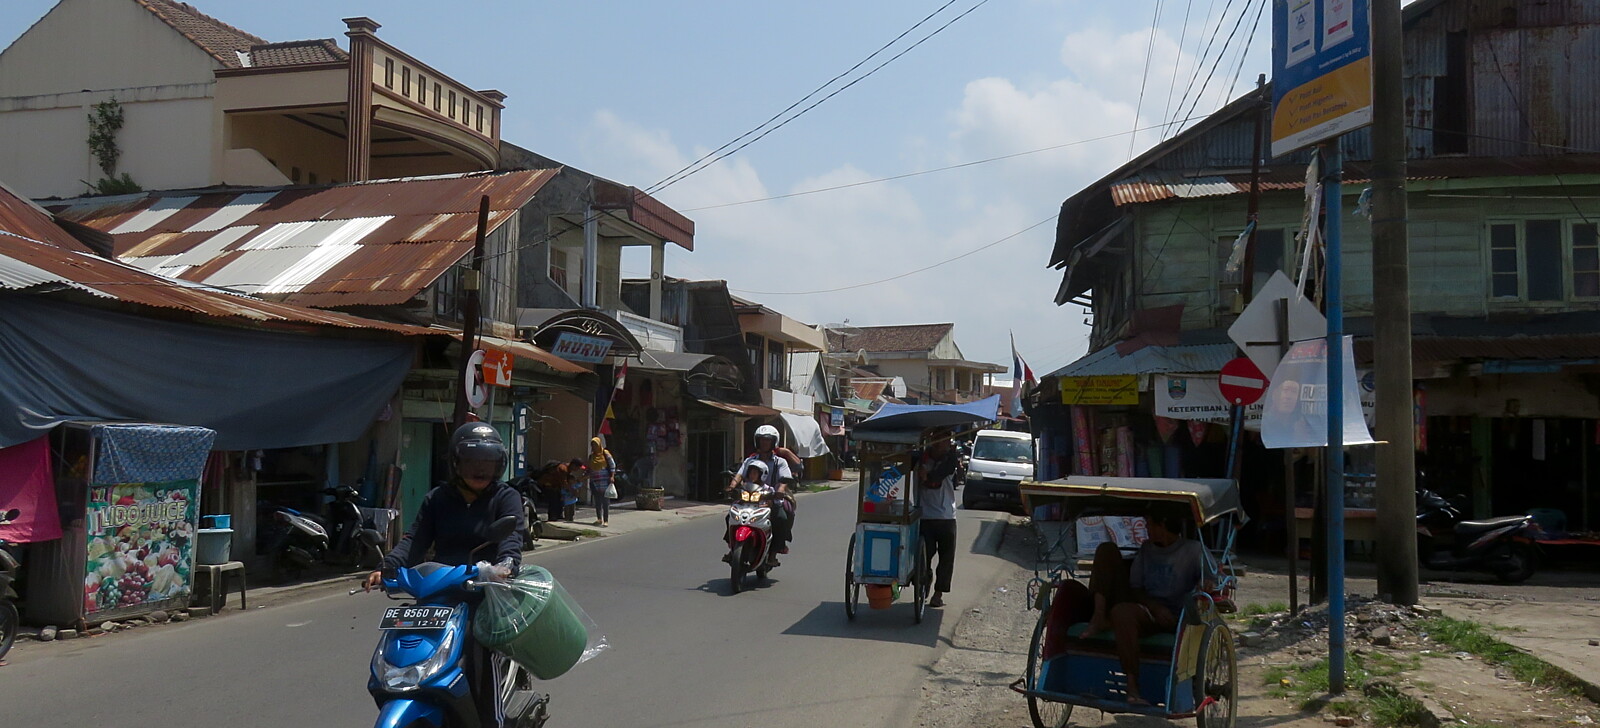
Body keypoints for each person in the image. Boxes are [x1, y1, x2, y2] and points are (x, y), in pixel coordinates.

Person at [364, 422, 524, 726]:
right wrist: (386, 568)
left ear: (498, 465)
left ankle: (493, 721)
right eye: (472, 462)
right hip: (441, 589)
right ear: (456, 463)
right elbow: (414, 540)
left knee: (479, 648)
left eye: (488, 463)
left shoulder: (506, 497)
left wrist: (504, 566)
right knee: (406, 640)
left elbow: (511, 540)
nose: (481, 470)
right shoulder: (437, 498)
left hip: (485, 591)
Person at [1082, 510, 1205, 706]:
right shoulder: (1147, 549)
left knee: (1122, 612)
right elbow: (1135, 588)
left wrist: (1203, 588)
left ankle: (1106, 621)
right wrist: (1154, 607)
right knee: (1107, 552)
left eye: (1149, 525)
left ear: (1162, 524)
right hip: (1148, 611)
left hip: (1179, 617)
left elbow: (1211, 581)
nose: (1146, 530)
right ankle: (1132, 686)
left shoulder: (1193, 550)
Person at [728, 424, 795, 565]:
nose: (764, 443)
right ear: (757, 441)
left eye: (767, 440)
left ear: (773, 442)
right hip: (750, 499)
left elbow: (785, 479)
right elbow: (740, 474)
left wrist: (780, 491)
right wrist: (732, 486)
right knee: (730, 516)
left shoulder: (780, 462)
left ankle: (774, 552)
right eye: (762, 440)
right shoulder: (750, 460)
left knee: (781, 518)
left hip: (770, 499)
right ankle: (732, 548)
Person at [914, 435, 961, 609]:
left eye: (949, 440)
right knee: (924, 557)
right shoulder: (921, 457)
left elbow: (939, 475)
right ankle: (925, 580)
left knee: (946, 559)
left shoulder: (951, 460)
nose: (948, 443)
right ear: (934, 441)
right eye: (944, 439)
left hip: (947, 516)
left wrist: (927, 475)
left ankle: (938, 593)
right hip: (925, 516)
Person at [586, 437, 616, 527]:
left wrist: (612, 476)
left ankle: (606, 520)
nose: (594, 447)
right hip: (595, 481)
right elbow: (589, 468)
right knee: (597, 501)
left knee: (605, 501)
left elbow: (612, 465)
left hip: (605, 481)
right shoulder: (591, 456)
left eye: (595, 445)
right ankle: (599, 519)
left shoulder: (605, 453)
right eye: (592, 445)